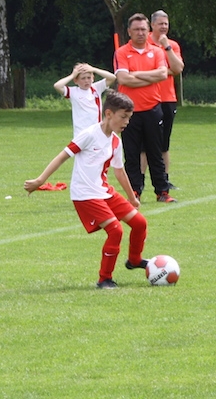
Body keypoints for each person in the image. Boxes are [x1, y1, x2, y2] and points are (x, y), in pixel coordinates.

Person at [24, 90, 150, 289]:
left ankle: (134, 260)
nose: (127, 122)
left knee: (140, 223)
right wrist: (40, 180)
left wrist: (131, 197)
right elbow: (63, 156)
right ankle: (104, 279)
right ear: (109, 114)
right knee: (115, 231)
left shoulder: (116, 141)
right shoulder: (89, 134)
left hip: (104, 191)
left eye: (129, 117)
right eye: (123, 117)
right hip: (85, 194)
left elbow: (119, 172)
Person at [113, 13, 176, 203]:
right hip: (128, 111)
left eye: (143, 29)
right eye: (136, 29)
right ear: (129, 32)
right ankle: (134, 191)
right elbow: (123, 79)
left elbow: (162, 74)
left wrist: (136, 74)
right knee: (132, 154)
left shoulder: (157, 51)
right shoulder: (122, 52)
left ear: (148, 31)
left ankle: (162, 192)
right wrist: (150, 76)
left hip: (152, 108)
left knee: (155, 152)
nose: (140, 33)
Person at [142, 10, 185, 189]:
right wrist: (162, 72)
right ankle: (139, 181)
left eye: (166, 24)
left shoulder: (172, 45)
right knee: (144, 145)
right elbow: (142, 69)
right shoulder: (143, 43)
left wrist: (166, 47)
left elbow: (177, 69)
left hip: (167, 98)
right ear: (152, 25)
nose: (164, 27)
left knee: (163, 144)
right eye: (160, 23)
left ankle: (164, 180)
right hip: (148, 97)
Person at [53, 63, 116, 136]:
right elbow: (57, 86)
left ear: (93, 78)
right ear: (76, 81)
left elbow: (112, 77)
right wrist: (72, 75)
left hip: (97, 131)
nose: (86, 81)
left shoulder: (96, 88)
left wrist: (94, 69)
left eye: (89, 78)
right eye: (83, 78)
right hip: (80, 132)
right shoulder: (73, 92)